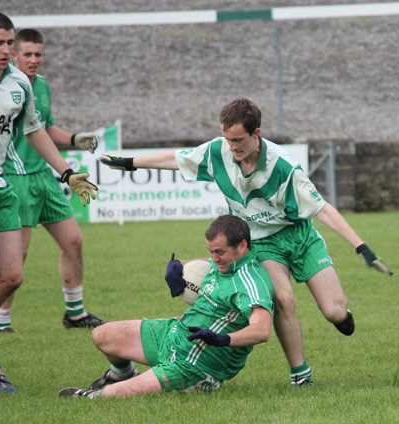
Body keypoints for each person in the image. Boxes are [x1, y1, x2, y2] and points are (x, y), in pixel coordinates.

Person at [99, 97, 392, 386]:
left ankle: (342, 314)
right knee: (283, 298)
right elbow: (176, 159)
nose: (232, 146)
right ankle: (300, 374)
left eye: (238, 139)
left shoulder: (283, 168)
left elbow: (323, 208)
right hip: (262, 242)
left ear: (256, 134)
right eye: (227, 139)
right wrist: (129, 162)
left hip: (300, 236)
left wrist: (360, 246)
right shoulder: (219, 152)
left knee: (334, 311)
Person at [0, 11, 97, 394]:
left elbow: (33, 130)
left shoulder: (20, 84)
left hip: (1, 186)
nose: (7, 50)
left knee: (12, 277)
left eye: (9, 42)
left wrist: (67, 172)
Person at [58, 214, 274, 399]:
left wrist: (223, 339)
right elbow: (207, 264)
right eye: (211, 251)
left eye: (220, 252)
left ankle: (94, 395)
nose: (214, 258)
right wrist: (178, 265)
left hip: (196, 365)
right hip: (174, 333)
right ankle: (122, 373)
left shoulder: (251, 282)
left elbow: (262, 330)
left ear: (243, 245)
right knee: (101, 335)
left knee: (111, 395)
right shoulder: (225, 262)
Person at [0, 28, 104, 334]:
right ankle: (1, 323)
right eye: (27, 54)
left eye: (38, 54)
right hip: (15, 178)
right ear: (14, 55)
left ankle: (75, 313)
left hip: (44, 175)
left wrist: (74, 139)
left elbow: (45, 127)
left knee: (73, 241)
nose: (33, 60)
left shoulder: (41, 85)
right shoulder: (3, 88)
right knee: (19, 254)